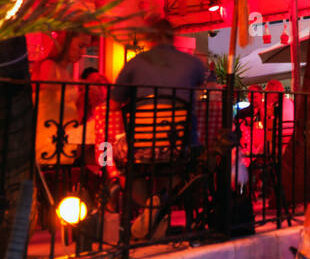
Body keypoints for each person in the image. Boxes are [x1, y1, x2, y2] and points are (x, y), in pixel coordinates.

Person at [111, 15, 207, 145]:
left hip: (143, 143)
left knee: (116, 145)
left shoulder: (134, 63)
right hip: (181, 144)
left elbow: (113, 105)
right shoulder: (193, 63)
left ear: (150, 38)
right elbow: (201, 88)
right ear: (173, 37)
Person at [35, 30, 88, 163]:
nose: (84, 53)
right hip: (50, 136)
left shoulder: (64, 70)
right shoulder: (48, 65)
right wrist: (80, 84)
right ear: (66, 42)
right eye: (80, 46)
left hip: (64, 135)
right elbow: (45, 85)